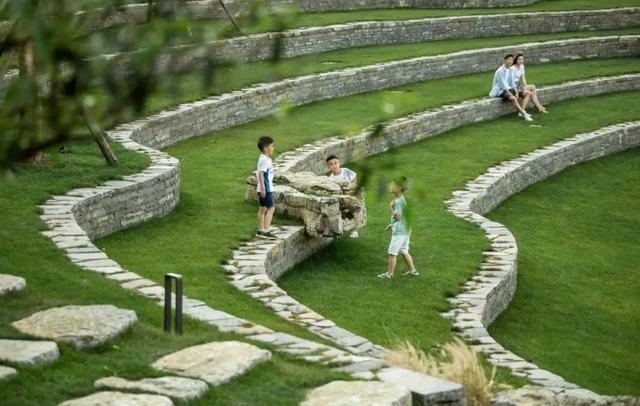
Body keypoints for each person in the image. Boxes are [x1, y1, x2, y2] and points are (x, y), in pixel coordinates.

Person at [378, 178, 419, 279]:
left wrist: (391, 208)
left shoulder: (398, 202)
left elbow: (398, 217)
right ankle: (413, 271)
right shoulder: (402, 199)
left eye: (393, 185)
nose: (390, 186)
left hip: (400, 232)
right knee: (404, 250)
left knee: (392, 253)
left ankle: (389, 274)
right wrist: (392, 224)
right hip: (406, 230)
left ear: (399, 188)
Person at [489, 54, 533, 122]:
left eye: (512, 60)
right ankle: (524, 114)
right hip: (500, 90)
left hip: (509, 88)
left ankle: (521, 112)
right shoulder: (500, 71)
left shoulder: (511, 70)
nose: (510, 61)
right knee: (513, 98)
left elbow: (512, 82)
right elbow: (503, 85)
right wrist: (512, 94)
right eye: (509, 59)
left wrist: (516, 92)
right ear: (505, 60)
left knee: (528, 93)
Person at [326, 154, 360, 238]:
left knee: (356, 211)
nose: (334, 166)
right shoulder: (330, 178)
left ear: (339, 163)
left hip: (351, 196)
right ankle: (338, 230)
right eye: (331, 164)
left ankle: (356, 230)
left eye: (335, 163)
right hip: (341, 198)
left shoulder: (346, 171)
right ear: (328, 167)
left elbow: (355, 180)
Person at [256, 136, 277, 239]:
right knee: (271, 208)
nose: (273, 148)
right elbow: (260, 174)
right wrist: (264, 188)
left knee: (262, 209)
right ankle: (266, 229)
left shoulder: (264, 158)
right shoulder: (265, 160)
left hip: (262, 188)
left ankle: (260, 230)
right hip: (266, 189)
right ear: (265, 148)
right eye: (271, 146)